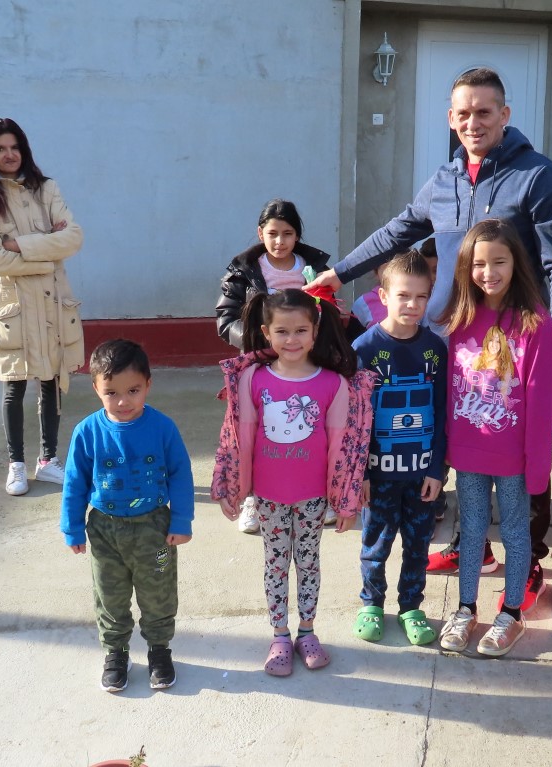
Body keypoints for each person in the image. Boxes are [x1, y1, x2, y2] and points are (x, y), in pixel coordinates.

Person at [305, 68, 552, 607]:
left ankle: (527, 562)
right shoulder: (445, 179)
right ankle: (471, 545)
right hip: (455, 338)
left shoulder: (537, 176)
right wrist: (340, 272)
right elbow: (398, 230)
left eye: (484, 112)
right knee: (455, 436)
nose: (474, 122)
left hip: (515, 346)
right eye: (464, 113)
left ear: (505, 114)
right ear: (451, 119)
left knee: (523, 442)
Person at [211, 289, 374, 676]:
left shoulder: (333, 384)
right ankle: (280, 636)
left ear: (315, 331)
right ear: (266, 332)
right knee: (275, 564)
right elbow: (237, 438)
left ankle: (307, 632)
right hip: (269, 497)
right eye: (282, 331)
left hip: (313, 498)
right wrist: (231, 487)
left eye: (300, 330)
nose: (292, 339)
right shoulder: (252, 379)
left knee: (308, 563)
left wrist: (345, 501)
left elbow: (344, 447)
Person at [436, 219, 552, 658]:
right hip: (468, 453)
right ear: (466, 268)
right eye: (479, 264)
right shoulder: (459, 318)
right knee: (470, 530)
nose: (488, 273)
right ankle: (466, 609)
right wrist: (445, 449)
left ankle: (511, 613)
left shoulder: (535, 323)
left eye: (499, 262)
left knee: (515, 533)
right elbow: (450, 389)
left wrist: (537, 466)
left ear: (516, 263)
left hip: (514, 458)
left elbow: (540, 401)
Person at [60, 339, 195, 693]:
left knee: (159, 591)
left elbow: (181, 474)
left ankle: (159, 649)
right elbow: (75, 482)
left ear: (148, 384)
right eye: (111, 393)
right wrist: (72, 527)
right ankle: (116, 652)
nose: (123, 401)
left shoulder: (162, 428)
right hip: (105, 531)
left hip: (155, 530)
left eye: (133, 390)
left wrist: (181, 521)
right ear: (96, 389)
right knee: (109, 594)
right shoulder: (87, 432)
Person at [0, 117, 84, 497]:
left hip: (51, 301)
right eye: (0, 148)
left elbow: (73, 238)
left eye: (14, 147)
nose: (9, 154)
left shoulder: (46, 189)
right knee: (14, 384)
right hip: (13, 306)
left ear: (24, 150)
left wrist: (19, 245)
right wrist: (47, 255)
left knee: (52, 381)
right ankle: (16, 463)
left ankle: (48, 461)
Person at [215, 199, 337, 532]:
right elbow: (225, 319)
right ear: (260, 233)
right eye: (272, 233)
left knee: (312, 429)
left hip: (306, 360)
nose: (280, 241)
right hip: (261, 361)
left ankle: (319, 495)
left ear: (297, 235)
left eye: (287, 234)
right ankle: (253, 498)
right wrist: (259, 341)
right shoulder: (242, 270)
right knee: (256, 431)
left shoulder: (314, 268)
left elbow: (330, 310)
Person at [349, 251, 447, 647]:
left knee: (418, 545)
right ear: (384, 296)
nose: (412, 305)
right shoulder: (365, 348)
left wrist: (437, 469)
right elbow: (356, 419)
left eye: (421, 296)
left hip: (422, 475)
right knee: (375, 543)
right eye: (404, 295)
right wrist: (362, 473)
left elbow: (442, 411)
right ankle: (371, 603)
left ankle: (411, 607)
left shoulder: (435, 349)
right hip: (379, 476)